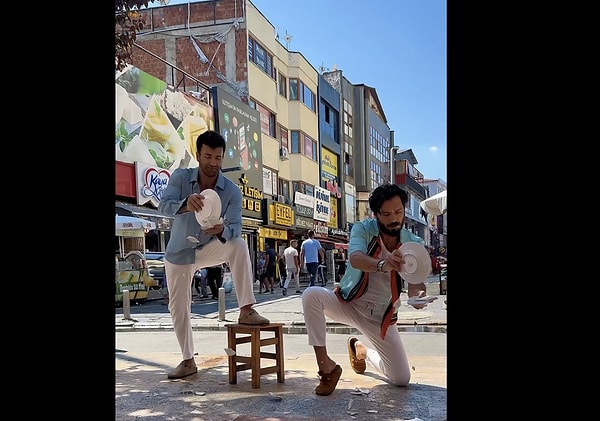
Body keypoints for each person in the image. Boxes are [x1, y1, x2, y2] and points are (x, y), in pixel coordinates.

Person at [158, 130, 269, 380]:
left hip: (209, 246)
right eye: (208, 156)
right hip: (178, 253)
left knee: (238, 244)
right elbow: (163, 206)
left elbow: (237, 227)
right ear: (198, 155)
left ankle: (247, 309)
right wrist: (186, 204)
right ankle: (188, 361)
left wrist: (223, 229)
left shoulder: (231, 190)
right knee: (178, 306)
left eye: (218, 158)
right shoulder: (181, 177)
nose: (213, 163)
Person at [301, 184, 430, 396]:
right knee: (311, 295)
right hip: (349, 303)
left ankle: (361, 351)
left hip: (381, 318)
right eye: (386, 214)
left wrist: (419, 297)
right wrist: (383, 264)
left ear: (404, 210)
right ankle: (326, 367)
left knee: (401, 379)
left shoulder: (413, 242)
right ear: (376, 214)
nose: (394, 219)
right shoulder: (363, 229)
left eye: (398, 212)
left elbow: (416, 282)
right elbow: (355, 258)